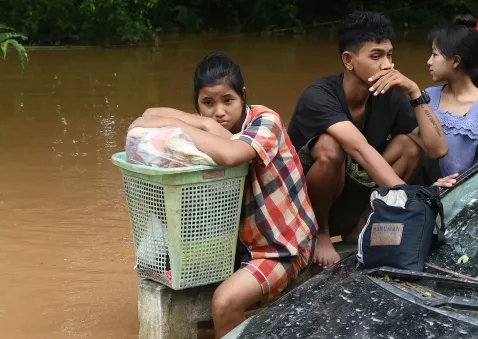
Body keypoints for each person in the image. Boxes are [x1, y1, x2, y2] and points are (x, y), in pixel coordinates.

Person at [128, 52, 318, 338]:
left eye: (227, 100)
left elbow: (231, 154)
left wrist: (187, 127)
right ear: (198, 105)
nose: (219, 112)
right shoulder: (207, 125)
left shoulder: (266, 121)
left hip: (284, 247)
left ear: (243, 96)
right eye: (208, 103)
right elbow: (146, 117)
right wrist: (202, 125)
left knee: (225, 302)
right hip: (241, 245)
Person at [286, 11, 448, 268]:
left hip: (355, 200)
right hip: (308, 207)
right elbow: (357, 148)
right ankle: (321, 233)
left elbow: (437, 149)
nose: (388, 65)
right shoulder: (318, 95)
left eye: (390, 55)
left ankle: (363, 226)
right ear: (349, 60)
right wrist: (410, 198)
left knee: (409, 147)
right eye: (376, 56)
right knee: (330, 146)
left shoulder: (390, 95)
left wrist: (414, 92)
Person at [417, 15, 478, 188]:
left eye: (435, 54)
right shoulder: (428, 96)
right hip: (427, 189)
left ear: (456, 61)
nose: (429, 62)